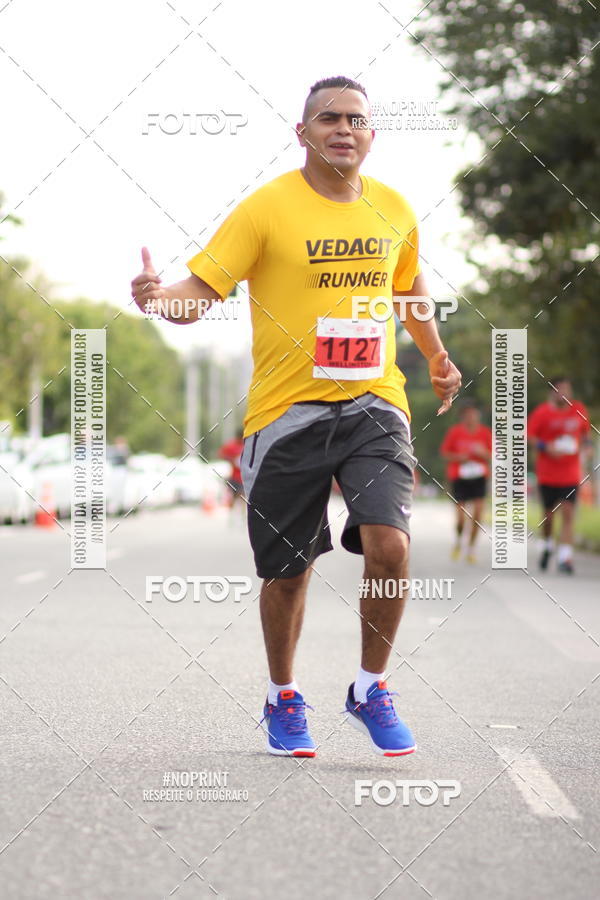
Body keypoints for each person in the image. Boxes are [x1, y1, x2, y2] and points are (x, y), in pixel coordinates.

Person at [131, 76, 461, 757]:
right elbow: (203, 291)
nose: (344, 128)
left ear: (372, 134)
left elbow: (410, 289)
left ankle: (372, 687)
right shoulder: (265, 209)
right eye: (329, 118)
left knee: (391, 545)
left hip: (376, 400)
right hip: (288, 414)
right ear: (303, 132)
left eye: (357, 119)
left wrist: (435, 356)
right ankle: (283, 697)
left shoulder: (394, 208)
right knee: (288, 573)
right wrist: (159, 297)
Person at [528, 377, 591, 574]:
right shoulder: (542, 413)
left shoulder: (579, 409)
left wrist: (587, 450)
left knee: (568, 512)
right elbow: (529, 437)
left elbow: (586, 438)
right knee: (548, 517)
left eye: (567, 389)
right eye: (560, 390)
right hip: (547, 474)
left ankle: (565, 558)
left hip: (571, 473)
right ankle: (547, 545)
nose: (564, 393)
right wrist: (547, 447)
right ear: (553, 392)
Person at [440, 401, 492, 563]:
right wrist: (459, 457)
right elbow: (445, 453)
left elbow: (492, 456)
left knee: (477, 514)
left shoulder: (485, 433)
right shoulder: (455, 432)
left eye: (473, 413)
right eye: (467, 414)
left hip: (479, 476)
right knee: (461, 519)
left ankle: (471, 548)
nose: (470, 417)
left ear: (478, 415)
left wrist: (482, 453)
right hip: (460, 477)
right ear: (462, 417)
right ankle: (458, 539)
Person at [218, 429, 245, 512]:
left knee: (243, 496)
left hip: (244, 477)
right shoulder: (232, 445)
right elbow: (221, 454)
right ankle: (232, 514)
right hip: (234, 477)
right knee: (233, 497)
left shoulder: (247, 445)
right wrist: (231, 460)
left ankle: (243, 515)